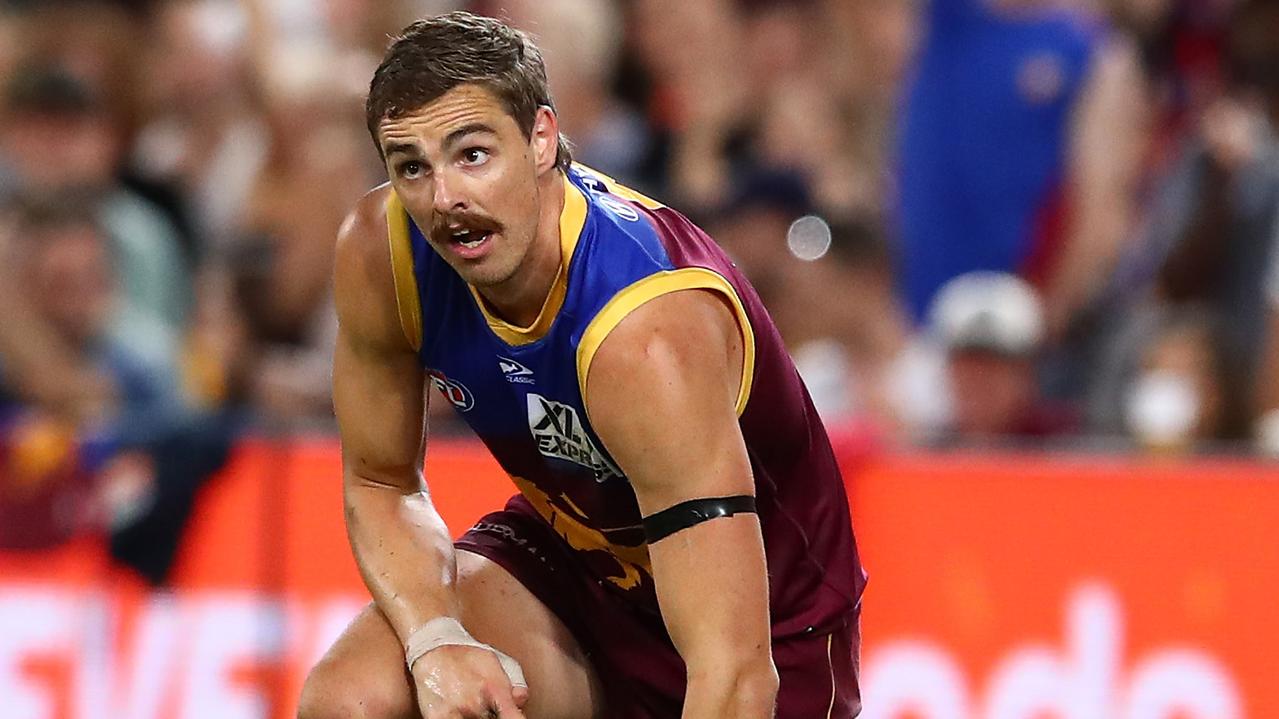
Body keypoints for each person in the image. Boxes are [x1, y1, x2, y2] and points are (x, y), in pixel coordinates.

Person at [299, 11, 864, 719]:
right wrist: (435, 638)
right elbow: (380, 477)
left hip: (764, 631)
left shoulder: (641, 332)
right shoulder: (383, 255)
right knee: (350, 701)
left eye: (471, 153)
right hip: (580, 568)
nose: (444, 199)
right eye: (411, 165)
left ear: (541, 138)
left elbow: (734, 674)